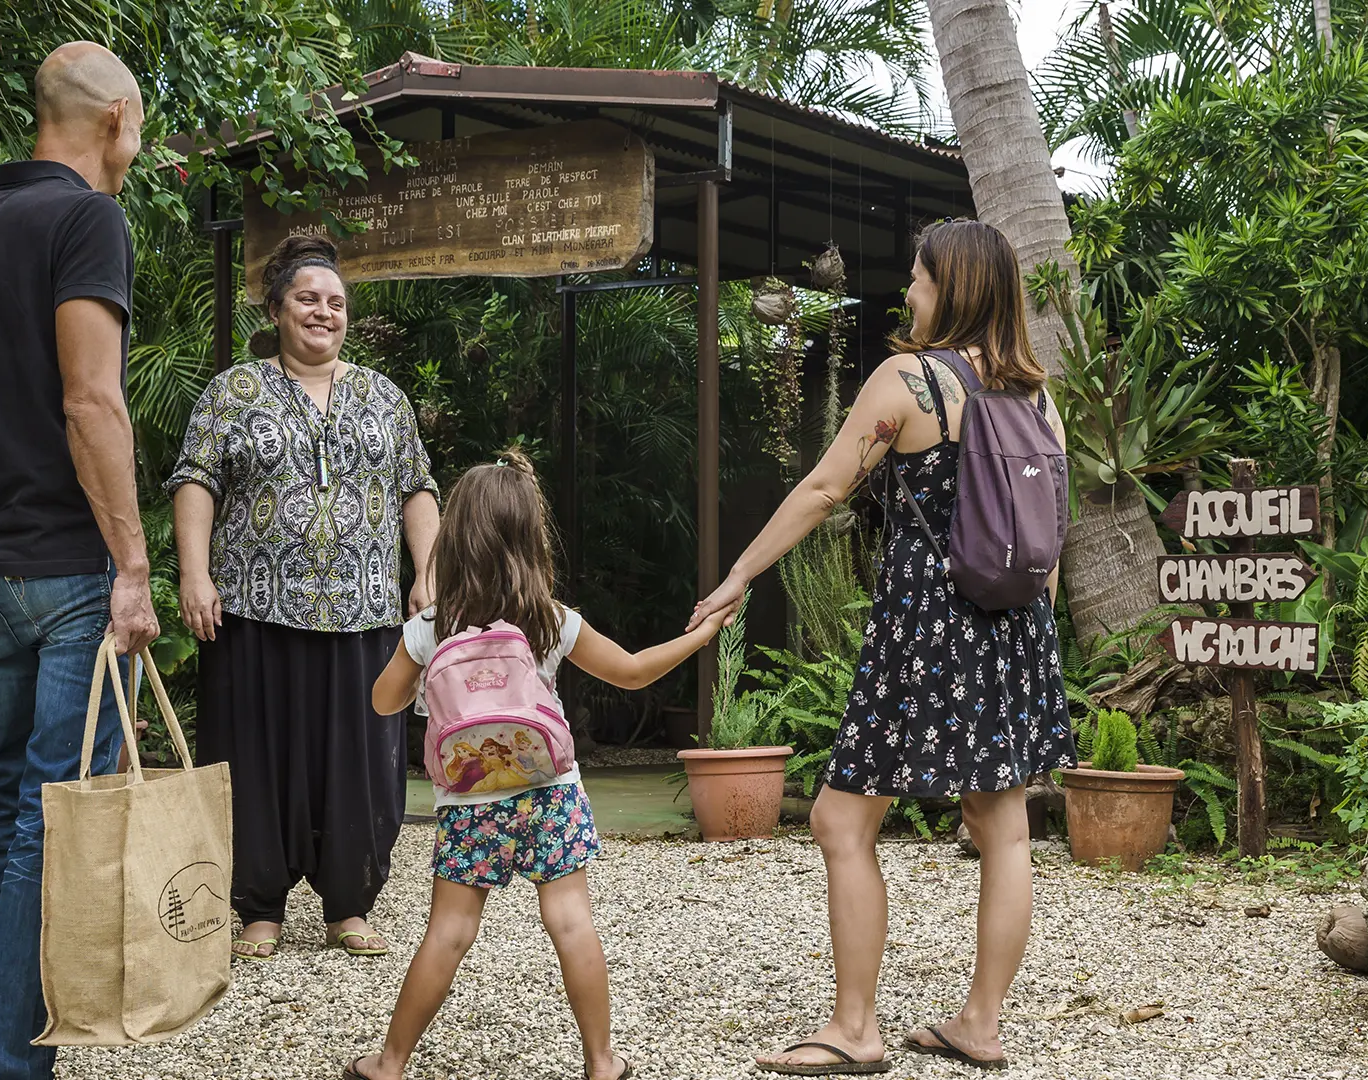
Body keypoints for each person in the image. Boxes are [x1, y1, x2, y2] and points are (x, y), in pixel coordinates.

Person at [689, 220, 1075, 1074]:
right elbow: (1050, 532)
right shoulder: (1039, 397)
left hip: (928, 632)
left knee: (839, 816)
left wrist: (737, 577)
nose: (909, 292)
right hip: (1016, 630)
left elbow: (826, 487)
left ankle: (855, 1030)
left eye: (920, 279)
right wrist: (1037, 646)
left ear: (957, 287)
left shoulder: (911, 380)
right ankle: (981, 1022)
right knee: (1002, 826)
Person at [0, 41, 155, 1080]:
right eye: (138, 126)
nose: (137, 147)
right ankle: (8, 1069)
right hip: (68, 569)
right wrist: (135, 567)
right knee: (46, 821)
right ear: (112, 119)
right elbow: (91, 400)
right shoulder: (87, 219)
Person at [345, 450, 730, 1080]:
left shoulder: (432, 627)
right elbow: (632, 672)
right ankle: (602, 1062)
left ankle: (389, 1062)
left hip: (470, 801)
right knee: (570, 920)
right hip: (550, 790)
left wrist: (426, 674)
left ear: (456, 541)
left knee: (449, 930)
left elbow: (382, 700)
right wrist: (699, 636)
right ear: (531, 540)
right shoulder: (552, 621)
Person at [169, 232, 440, 962]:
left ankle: (349, 906)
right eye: (308, 299)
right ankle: (259, 909)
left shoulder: (383, 395)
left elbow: (418, 489)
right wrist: (195, 574)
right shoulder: (234, 391)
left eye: (336, 303)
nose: (324, 313)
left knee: (363, 766)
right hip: (254, 610)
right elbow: (196, 481)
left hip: (364, 612)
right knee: (253, 759)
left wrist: (428, 572)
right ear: (277, 307)